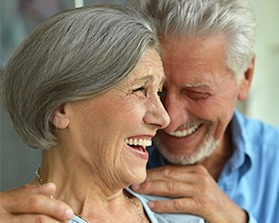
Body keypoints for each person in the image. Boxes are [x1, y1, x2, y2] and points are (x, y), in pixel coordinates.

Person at [0, 4, 190, 223]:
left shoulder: (181, 216)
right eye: (139, 89)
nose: (164, 118)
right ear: (60, 108)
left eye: (158, 92)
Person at [126, 0, 279, 223]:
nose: (170, 121)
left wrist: (235, 219)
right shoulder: (109, 157)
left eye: (197, 93)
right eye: (156, 91)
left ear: (245, 76)